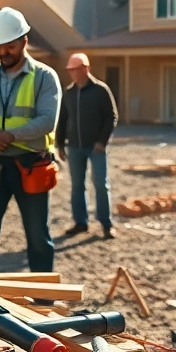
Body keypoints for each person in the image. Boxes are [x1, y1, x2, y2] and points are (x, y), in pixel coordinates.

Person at [0, 7, 61, 273]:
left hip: (31, 165)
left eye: (10, 46)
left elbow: (47, 120)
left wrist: (10, 136)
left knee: (38, 238)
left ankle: (44, 293)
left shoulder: (44, 77)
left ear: (24, 41)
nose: (4, 52)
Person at [56, 52, 118, 239]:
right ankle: (80, 222)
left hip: (96, 147)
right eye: (70, 70)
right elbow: (62, 119)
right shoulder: (68, 93)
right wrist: (60, 144)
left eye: (76, 69)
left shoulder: (100, 90)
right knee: (77, 185)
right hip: (75, 146)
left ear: (86, 69)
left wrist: (102, 141)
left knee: (101, 184)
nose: (72, 73)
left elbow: (111, 117)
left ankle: (106, 224)